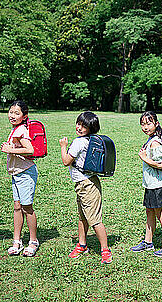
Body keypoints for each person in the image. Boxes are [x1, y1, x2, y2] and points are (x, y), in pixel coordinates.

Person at [59, 111, 113, 264]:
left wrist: (63, 146)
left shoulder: (78, 142)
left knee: (95, 220)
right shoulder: (91, 140)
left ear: (91, 128)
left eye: (84, 126)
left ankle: (105, 250)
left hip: (86, 185)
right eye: (78, 123)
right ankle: (82, 245)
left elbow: (66, 161)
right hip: (87, 183)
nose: (79, 127)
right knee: (83, 217)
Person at [130, 111, 162, 256]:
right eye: (143, 124)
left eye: (149, 123)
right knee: (149, 212)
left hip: (159, 185)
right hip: (151, 184)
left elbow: (160, 164)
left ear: (156, 124)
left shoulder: (155, 141)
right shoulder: (151, 139)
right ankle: (148, 242)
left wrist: (144, 158)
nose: (145, 127)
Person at [1, 100, 39, 257]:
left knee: (27, 207)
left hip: (25, 173)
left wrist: (10, 149)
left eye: (17, 113)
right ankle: (17, 240)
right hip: (17, 173)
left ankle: (33, 241)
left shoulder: (21, 130)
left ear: (24, 116)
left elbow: (30, 150)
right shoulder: (15, 129)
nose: (12, 115)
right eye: (11, 112)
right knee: (17, 207)